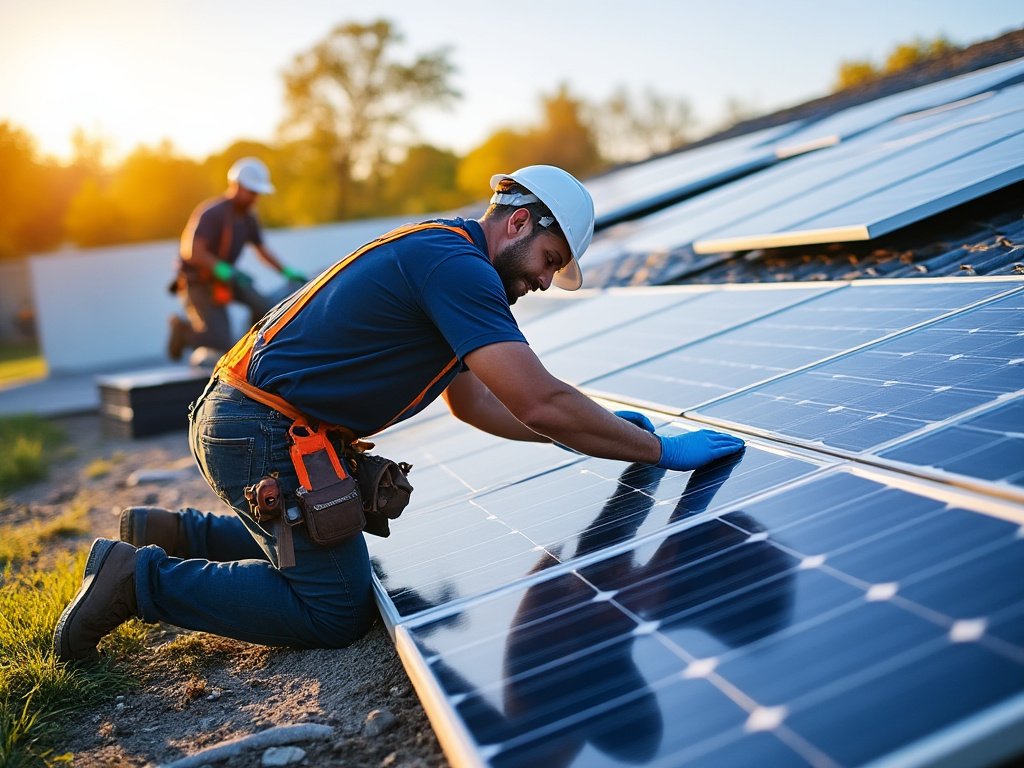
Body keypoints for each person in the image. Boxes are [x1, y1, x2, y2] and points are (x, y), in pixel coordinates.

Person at [54, 165, 745, 661]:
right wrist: (652, 451)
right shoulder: (461, 269)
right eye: (548, 258)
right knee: (334, 608)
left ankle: (174, 532)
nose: (542, 279)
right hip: (261, 429)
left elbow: (478, 402)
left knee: (344, 530)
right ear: (518, 220)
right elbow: (539, 397)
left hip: (250, 415)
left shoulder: (450, 252)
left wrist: (577, 438)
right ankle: (137, 580)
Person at [167, 157, 307, 361]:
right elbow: (192, 251)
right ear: (236, 185)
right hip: (199, 283)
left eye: (257, 193)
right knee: (222, 341)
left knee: (265, 307)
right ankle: (182, 332)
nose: (255, 198)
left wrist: (285, 271)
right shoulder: (212, 213)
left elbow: (262, 249)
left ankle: (255, 350)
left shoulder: (248, 218)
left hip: (227, 278)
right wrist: (223, 270)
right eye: (251, 192)